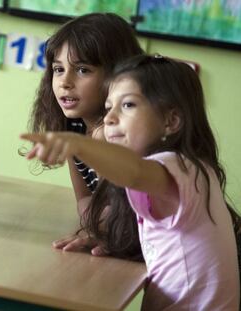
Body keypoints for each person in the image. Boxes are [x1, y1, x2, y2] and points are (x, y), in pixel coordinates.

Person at [21, 54, 240, 310]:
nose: (110, 118)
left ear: (171, 121)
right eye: (108, 108)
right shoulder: (191, 168)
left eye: (127, 105)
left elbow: (133, 171)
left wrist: (79, 143)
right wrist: (112, 241)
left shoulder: (180, 168)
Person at [26, 13, 144, 260]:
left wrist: (101, 225)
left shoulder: (121, 135)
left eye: (82, 70)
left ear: (118, 75)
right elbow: (86, 203)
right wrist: (99, 224)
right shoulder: (74, 129)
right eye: (58, 69)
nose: (65, 82)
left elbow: (124, 216)